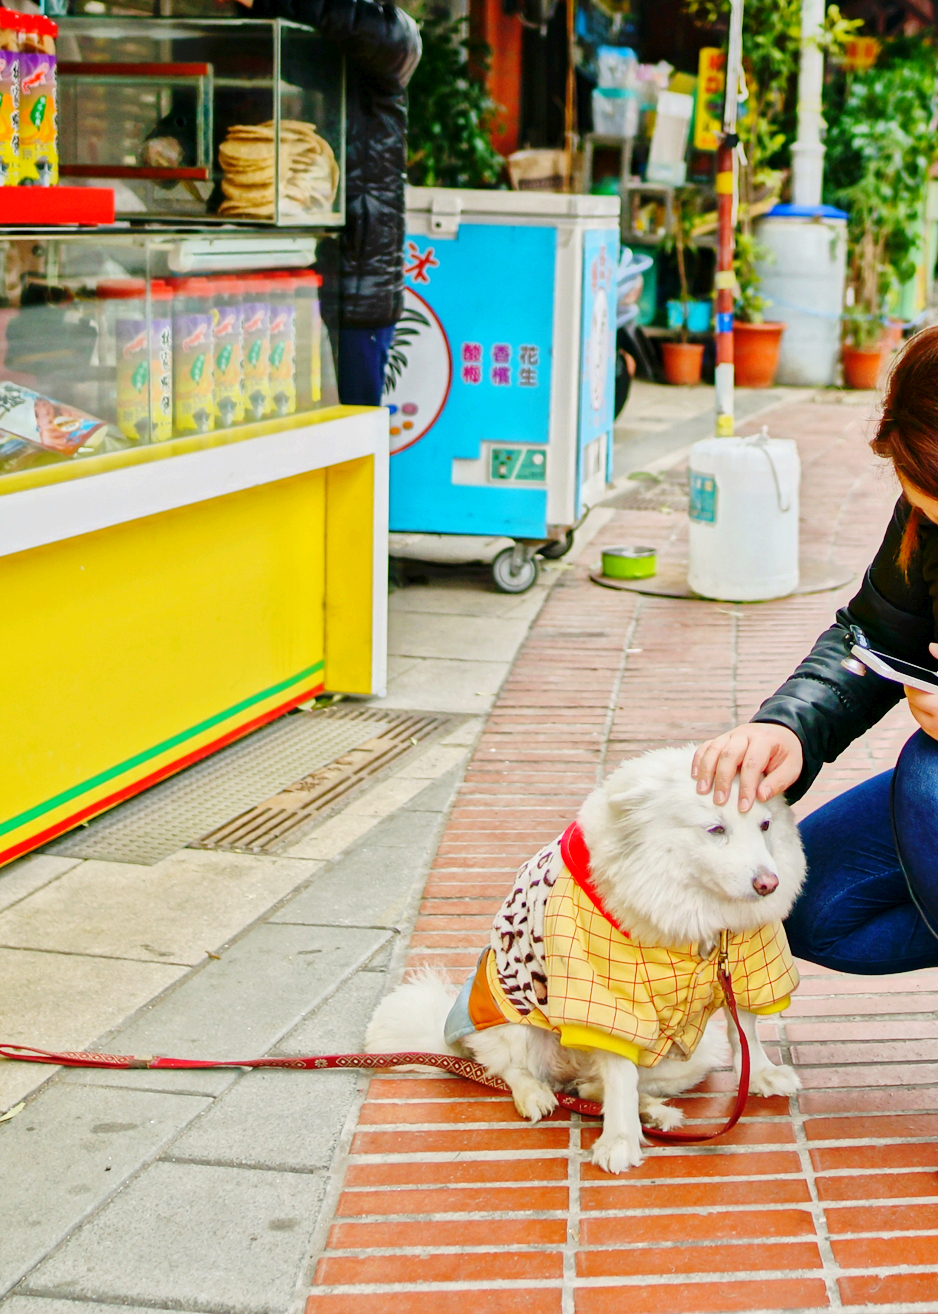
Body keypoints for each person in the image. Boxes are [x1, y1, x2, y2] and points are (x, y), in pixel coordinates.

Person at [692, 327, 938, 976]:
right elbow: (877, 635)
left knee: (929, 781)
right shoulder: (923, 516)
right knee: (808, 903)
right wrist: (790, 726)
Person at [236, 0, 421, 405]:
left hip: (357, 286)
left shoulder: (393, 36)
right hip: (281, 278)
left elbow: (369, 28)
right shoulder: (296, 33)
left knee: (355, 431)